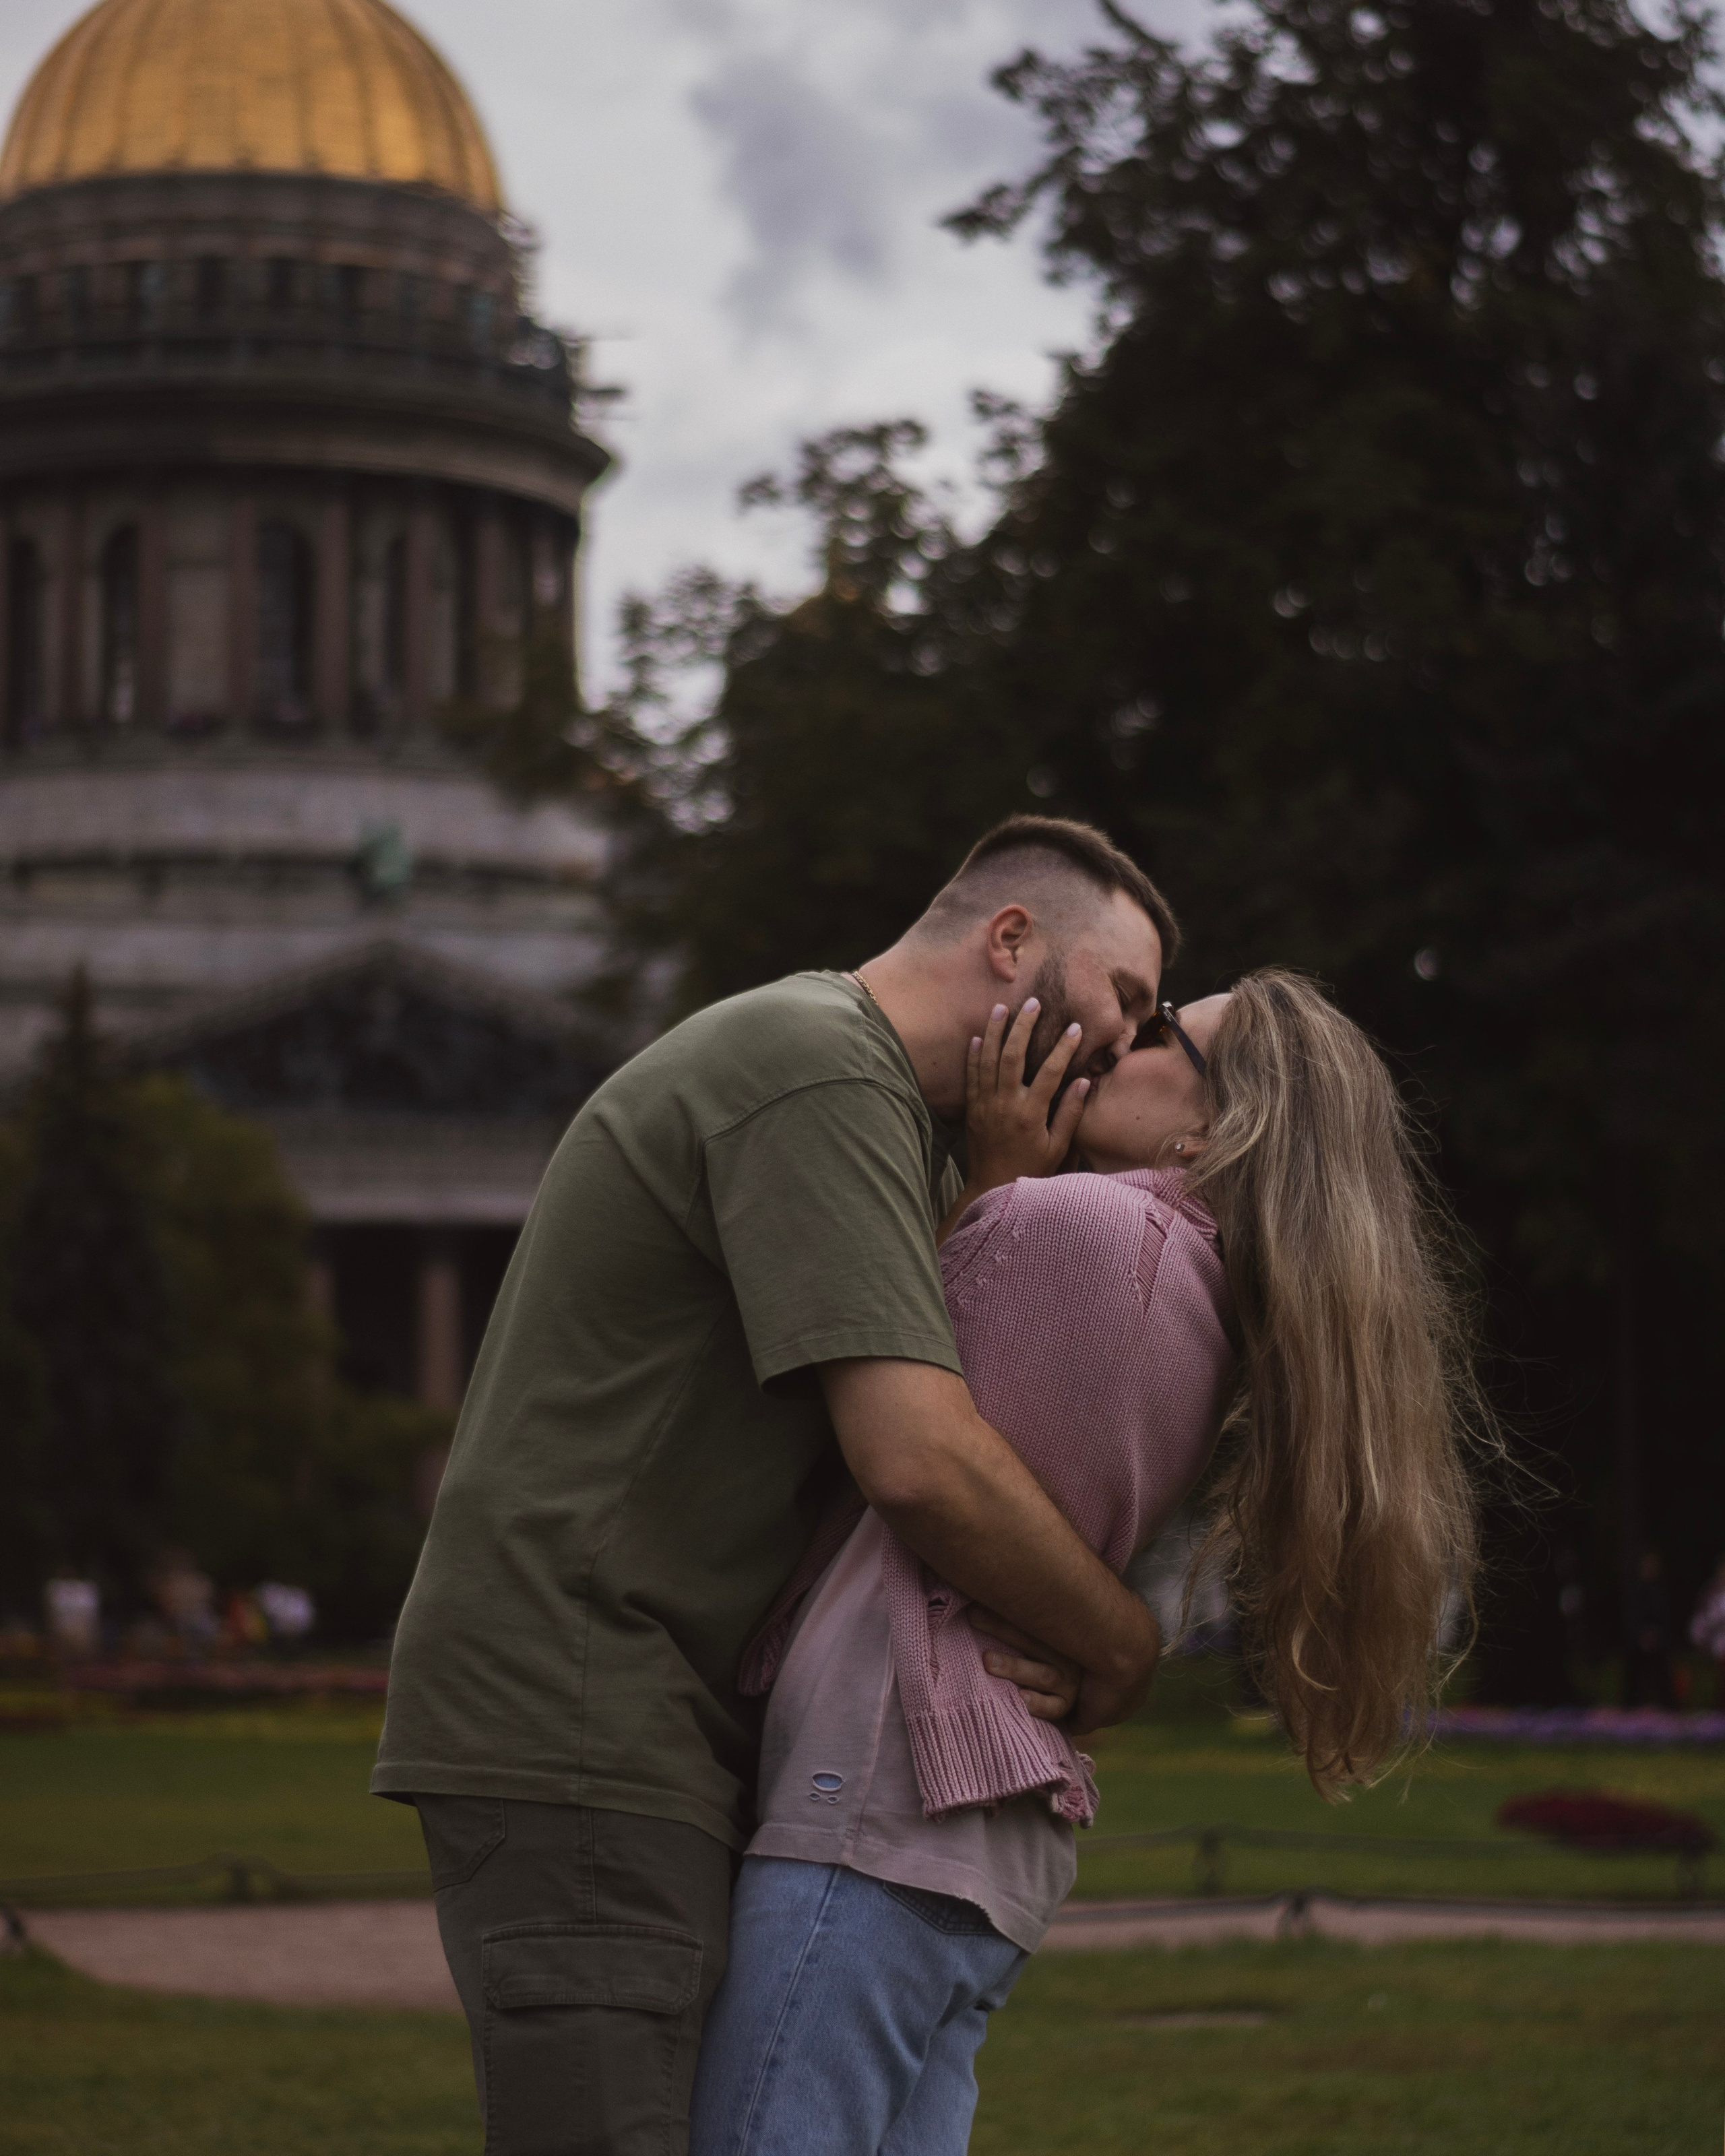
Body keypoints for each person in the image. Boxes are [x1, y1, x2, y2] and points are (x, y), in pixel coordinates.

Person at [371, 815, 1179, 2155]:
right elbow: (916, 1460)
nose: (1126, 1041)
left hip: (655, 1720)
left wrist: (991, 1193)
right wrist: (1122, 1645)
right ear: (1010, 939)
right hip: (583, 1712)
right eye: (1128, 996)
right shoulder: (817, 1068)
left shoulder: (892, 1121)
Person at [689, 969, 1483, 2156]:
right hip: (972, 1834)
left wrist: (994, 1181)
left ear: (1213, 1128)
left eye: (1162, 1036)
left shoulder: (1090, 1234)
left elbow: (892, 1414)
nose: (1113, 1045)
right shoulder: (1196, 1283)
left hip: (883, 1792)